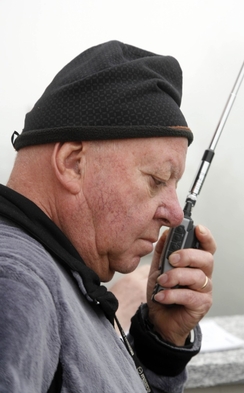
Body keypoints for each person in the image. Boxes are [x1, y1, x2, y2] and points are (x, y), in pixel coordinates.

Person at [0, 40, 215, 393]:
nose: (175, 214)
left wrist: (159, 345)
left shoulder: (60, 272)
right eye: (157, 180)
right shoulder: (16, 282)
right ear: (73, 163)